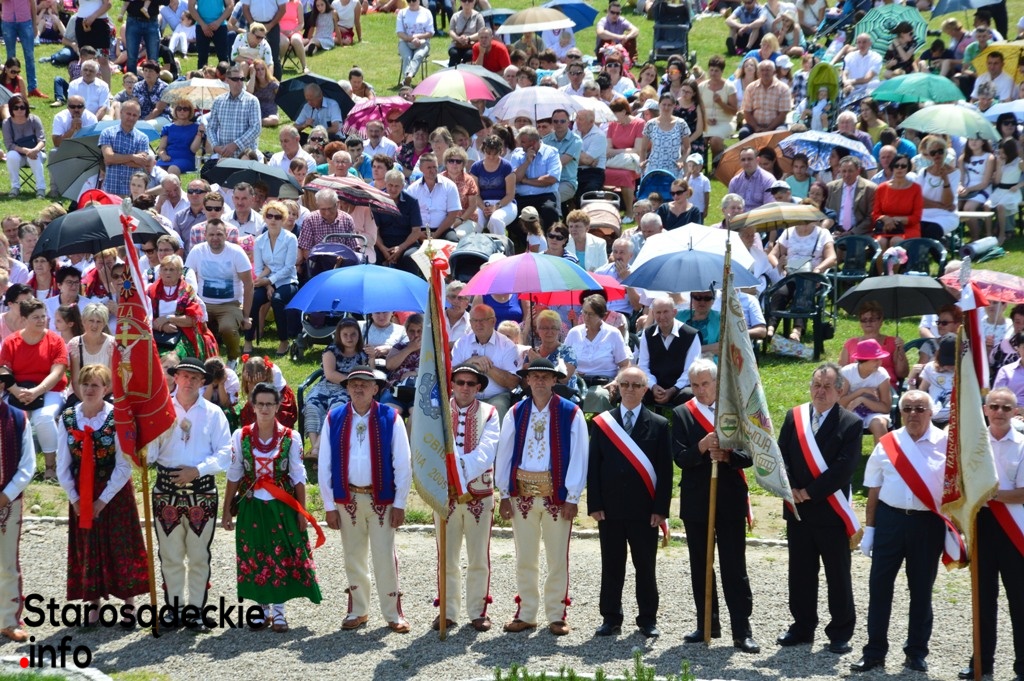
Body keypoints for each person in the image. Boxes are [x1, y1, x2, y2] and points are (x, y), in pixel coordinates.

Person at [852, 389, 964, 673]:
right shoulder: (888, 443)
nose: (913, 414)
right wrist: (871, 528)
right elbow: (874, 489)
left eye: (920, 409)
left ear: (931, 412)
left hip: (927, 525)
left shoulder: (947, 445)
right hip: (890, 521)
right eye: (908, 409)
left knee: (921, 590)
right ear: (900, 413)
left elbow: (957, 490)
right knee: (879, 588)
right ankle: (874, 651)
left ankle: (916, 652)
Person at [494, 358, 588, 636]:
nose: (539, 381)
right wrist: (504, 493)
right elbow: (504, 453)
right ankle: (526, 612)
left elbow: (580, 455)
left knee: (557, 557)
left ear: (555, 380)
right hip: (522, 494)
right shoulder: (516, 412)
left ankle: (556, 614)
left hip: (556, 495)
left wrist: (573, 496)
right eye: (534, 376)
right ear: (527, 380)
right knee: (525, 556)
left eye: (545, 377)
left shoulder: (571, 413)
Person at [672, 358, 760, 653]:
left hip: (730, 499)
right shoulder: (682, 414)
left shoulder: (734, 411)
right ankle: (706, 624)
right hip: (697, 501)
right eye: (695, 385)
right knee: (700, 564)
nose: (700, 390)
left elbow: (750, 455)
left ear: (717, 383)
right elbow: (680, 458)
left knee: (734, 566)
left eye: (705, 384)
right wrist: (701, 447)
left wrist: (727, 456)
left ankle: (741, 630)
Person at [318, 366, 412, 633]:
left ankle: (393, 613)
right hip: (347, 498)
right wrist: (329, 505)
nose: (358, 388)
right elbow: (324, 464)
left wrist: (400, 503)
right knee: (353, 556)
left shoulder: (390, 417)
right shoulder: (334, 418)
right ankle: (358, 610)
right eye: (353, 384)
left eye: (364, 384)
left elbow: (402, 463)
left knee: (385, 556)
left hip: (381, 499)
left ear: (375, 389)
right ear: (347, 388)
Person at [222, 382, 322, 633]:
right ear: (253, 406)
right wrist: (225, 510)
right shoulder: (241, 436)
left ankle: (279, 612)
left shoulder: (291, 437)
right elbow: (234, 473)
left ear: (278, 406)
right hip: (251, 505)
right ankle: (261, 609)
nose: (265, 408)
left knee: (280, 555)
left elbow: (298, 476)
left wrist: (302, 512)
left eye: (269, 404)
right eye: (260, 404)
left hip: (282, 506)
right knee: (255, 554)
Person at [776, 363, 862, 653]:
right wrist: (791, 487)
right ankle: (802, 626)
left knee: (837, 574)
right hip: (798, 510)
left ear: (839, 390)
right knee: (800, 572)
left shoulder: (850, 423)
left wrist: (809, 492)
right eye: (816, 385)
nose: (820, 391)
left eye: (827, 387)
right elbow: (782, 455)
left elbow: (844, 469)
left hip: (830, 511)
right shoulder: (794, 417)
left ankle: (840, 631)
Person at [56, 363, 149, 624]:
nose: (89, 389)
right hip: (82, 489)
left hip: (114, 490)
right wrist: (75, 498)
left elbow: (124, 465)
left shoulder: (117, 417)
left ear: (106, 388)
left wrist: (103, 500)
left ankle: (129, 604)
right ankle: (93, 603)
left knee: (121, 545)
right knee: (88, 545)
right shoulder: (68, 418)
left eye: (95, 385)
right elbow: (62, 463)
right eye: (85, 384)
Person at [588, 365, 671, 639]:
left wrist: (661, 509)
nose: (630, 390)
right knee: (612, 565)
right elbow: (594, 466)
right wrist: (595, 504)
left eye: (636, 385)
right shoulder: (603, 423)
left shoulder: (659, 424)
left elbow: (665, 472)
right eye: (625, 384)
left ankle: (647, 618)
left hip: (644, 511)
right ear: (617, 388)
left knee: (645, 567)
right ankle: (610, 617)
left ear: (645, 390)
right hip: (610, 509)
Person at [150, 357, 231, 629]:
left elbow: (226, 453)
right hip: (166, 490)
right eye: (184, 375)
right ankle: (174, 608)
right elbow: (150, 452)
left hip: (201, 491)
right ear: (175, 377)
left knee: (198, 555)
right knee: (170, 554)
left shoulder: (213, 413)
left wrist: (197, 470)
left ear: (202, 382)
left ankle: (195, 609)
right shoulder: (160, 410)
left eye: (195, 377)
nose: (189, 381)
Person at [957, 387, 1024, 680]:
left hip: (1014, 529)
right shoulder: (972, 444)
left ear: (1015, 412)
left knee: (1020, 600)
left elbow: (1023, 493)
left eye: (1006, 408)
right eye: (994, 406)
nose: (999, 412)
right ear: (984, 410)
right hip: (981, 525)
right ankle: (981, 662)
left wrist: (989, 494)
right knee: (983, 598)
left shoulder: (1022, 445)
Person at [431, 363, 500, 632]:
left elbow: (486, 452)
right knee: (446, 557)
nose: (465, 387)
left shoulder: (490, 413)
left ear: (478, 387)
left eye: (471, 383)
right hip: (444, 495)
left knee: (478, 557)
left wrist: (455, 469)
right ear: (452, 385)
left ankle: (478, 611)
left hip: (478, 495)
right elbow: (429, 447)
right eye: (460, 382)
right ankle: (447, 611)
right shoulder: (436, 413)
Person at [0, 297, 67, 482]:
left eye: (43, 316)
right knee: (11, 419)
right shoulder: (11, 341)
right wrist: (16, 391)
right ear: (24, 319)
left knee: (43, 417)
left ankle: (51, 467)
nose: (41, 320)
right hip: (17, 390)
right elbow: (3, 370)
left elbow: (58, 372)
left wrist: (37, 391)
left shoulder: (55, 340)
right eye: (36, 317)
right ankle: (11, 466)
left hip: (50, 390)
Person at [185, 219, 254, 364]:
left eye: (219, 234)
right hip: (203, 303)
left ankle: (233, 359)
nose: (215, 238)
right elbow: (187, 281)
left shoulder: (236, 252)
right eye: (211, 234)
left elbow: (249, 284)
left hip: (230, 304)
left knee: (228, 328)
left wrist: (246, 316)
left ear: (226, 235)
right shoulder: (197, 251)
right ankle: (199, 359)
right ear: (205, 235)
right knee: (191, 326)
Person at [0, 368, 35, 643]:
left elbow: (28, 465)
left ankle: (8, 620)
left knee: (7, 563)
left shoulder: (18, 417)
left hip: (7, 503)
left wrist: (6, 495)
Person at [451, 304, 521, 420]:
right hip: (466, 394)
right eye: (475, 320)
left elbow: (513, 382)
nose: (478, 324)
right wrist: (471, 362)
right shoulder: (461, 343)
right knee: (450, 406)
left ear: (493, 321)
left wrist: (487, 367)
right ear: (470, 322)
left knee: (498, 409)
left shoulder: (507, 346)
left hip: (496, 396)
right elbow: (452, 374)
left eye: (483, 320)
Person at [564, 294, 631, 414]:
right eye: (584, 312)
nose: (586, 317)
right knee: (562, 393)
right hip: (577, 381)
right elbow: (563, 361)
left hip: (603, 382)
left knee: (600, 396)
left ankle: (599, 425)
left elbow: (625, 365)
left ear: (602, 316)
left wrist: (616, 381)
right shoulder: (574, 333)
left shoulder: (613, 334)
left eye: (591, 314)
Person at [148, 254, 218, 361]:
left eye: (172, 269)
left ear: (180, 272)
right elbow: (143, 317)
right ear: (160, 272)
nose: (168, 273)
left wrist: (168, 318)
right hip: (155, 332)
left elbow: (193, 320)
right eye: (165, 269)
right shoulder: (151, 291)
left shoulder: (187, 291)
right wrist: (161, 326)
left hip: (182, 333)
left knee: (175, 356)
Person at [637, 297, 701, 407]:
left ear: (674, 312)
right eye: (658, 312)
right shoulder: (647, 333)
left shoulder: (691, 335)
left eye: (666, 312)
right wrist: (653, 386)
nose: (662, 317)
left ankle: (680, 418)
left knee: (689, 394)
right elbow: (642, 366)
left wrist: (673, 389)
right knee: (635, 389)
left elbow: (691, 370)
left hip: (680, 388)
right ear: (653, 314)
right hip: (654, 386)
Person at [839, 339, 894, 442]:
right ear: (863, 360)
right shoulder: (847, 372)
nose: (879, 362)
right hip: (850, 411)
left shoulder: (881, 375)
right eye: (875, 360)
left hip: (874, 412)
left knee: (879, 424)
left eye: (880, 359)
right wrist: (861, 391)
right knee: (848, 424)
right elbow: (840, 403)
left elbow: (886, 408)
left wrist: (862, 400)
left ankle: (882, 452)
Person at [207, 66, 263, 159]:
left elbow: (256, 129)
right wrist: (215, 146)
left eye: (242, 79)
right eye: (235, 79)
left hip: (245, 158)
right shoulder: (218, 101)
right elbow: (211, 128)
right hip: (224, 156)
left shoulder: (252, 101)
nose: (239, 82)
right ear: (227, 80)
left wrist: (235, 145)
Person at [99, 100, 151, 198]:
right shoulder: (107, 133)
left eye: (134, 115)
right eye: (128, 114)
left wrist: (115, 159)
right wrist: (132, 157)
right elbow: (108, 158)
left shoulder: (143, 138)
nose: (131, 118)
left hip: (131, 193)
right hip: (110, 191)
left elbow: (141, 162)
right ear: (121, 112)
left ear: (138, 117)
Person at [871, 153, 923, 248]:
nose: (899, 168)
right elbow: (875, 214)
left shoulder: (916, 189)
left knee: (896, 241)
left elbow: (916, 217)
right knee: (880, 242)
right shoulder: (881, 188)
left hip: (908, 228)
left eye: (903, 166)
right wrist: (885, 219)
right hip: (886, 227)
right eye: (896, 165)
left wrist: (896, 219)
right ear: (892, 167)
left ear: (908, 168)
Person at [2, 94, 46, 198]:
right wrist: (26, 151)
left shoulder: (34, 119)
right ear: (11, 109)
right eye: (16, 108)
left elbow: (42, 140)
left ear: (26, 108)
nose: (19, 110)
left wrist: (35, 150)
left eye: (22, 107)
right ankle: (15, 187)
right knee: (11, 155)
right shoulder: (7, 123)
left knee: (33, 157)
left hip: (37, 153)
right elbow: (9, 144)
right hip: (19, 156)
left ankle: (41, 189)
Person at [738, 60, 791, 140]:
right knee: (744, 133)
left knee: (780, 134)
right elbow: (747, 112)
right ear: (758, 73)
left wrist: (768, 129)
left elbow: (782, 114)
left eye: (768, 70)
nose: (765, 73)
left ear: (774, 72)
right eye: (762, 70)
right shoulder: (751, 88)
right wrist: (756, 128)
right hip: (754, 125)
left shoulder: (783, 88)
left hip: (776, 126)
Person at [642, 94, 690, 179]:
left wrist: (681, 160)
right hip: (654, 168)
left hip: (674, 168)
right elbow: (643, 148)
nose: (666, 108)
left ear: (674, 106)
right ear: (659, 105)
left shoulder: (681, 124)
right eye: (664, 104)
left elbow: (687, 147)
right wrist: (642, 162)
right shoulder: (650, 124)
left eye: (669, 105)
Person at [826, 157, 877, 236]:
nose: (847, 175)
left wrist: (853, 232)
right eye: (844, 171)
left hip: (859, 233)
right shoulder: (830, 188)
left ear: (858, 171)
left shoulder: (870, 188)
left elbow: (871, 216)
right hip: (835, 231)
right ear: (839, 171)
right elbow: (826, 212)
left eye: (850, 171)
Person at [157, 98, 202, 176]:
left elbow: (194, 150)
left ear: (190, 111)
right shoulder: (168, 128)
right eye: (179, 109)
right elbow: (161, 148)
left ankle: (174, 184)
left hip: (186, 160)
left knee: (172, 169)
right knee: (153, 169)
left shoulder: (197, 128)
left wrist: (199, 134)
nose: (182, 111)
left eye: (185, 109)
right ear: (175, 111)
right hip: (167, 159)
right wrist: (163, 155)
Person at [395, 0, 432, 87]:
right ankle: (408, 78)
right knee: (407, 57)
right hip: (405, 41)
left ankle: (408, 76)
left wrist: (418, 37)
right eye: (409, 0)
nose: (411, 2)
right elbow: (399, 32)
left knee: (418, 55)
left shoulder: (427, 12)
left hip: (423, 42)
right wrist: (411, 39)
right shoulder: (402, 13)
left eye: (414, 0)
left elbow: (430, 32)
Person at [728, 146, 775, 211]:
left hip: (761, 216)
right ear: (740, 162)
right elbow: (730, 207)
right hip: (740, 217)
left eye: (749, 159)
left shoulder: (768, 180)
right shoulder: (735, 182)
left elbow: (769, 208)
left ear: (757, 160)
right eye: (743, 160)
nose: (746, 162)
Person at [190, 0, 233, 68]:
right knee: (202, 58)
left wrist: (218, 22)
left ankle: (224, 74)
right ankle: (202, 75)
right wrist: (203, 24)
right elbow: (191, 6)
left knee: (223, 57)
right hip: (201, 26)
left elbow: (230, 5)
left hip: (220, 25)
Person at [447, 0, 483, 66]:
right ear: (460, 2)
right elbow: (451, 31)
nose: (467, 3)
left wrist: (468, 38)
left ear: (474, 2)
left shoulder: (478, 16)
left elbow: (481, 32)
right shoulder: (455, 16)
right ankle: (451, 70)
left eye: (470, 0)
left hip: (472, 44)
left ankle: (465, 69)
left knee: (469, 54)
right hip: (457, 44)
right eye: (464, 0)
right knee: (454, 53)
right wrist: (458, 38)